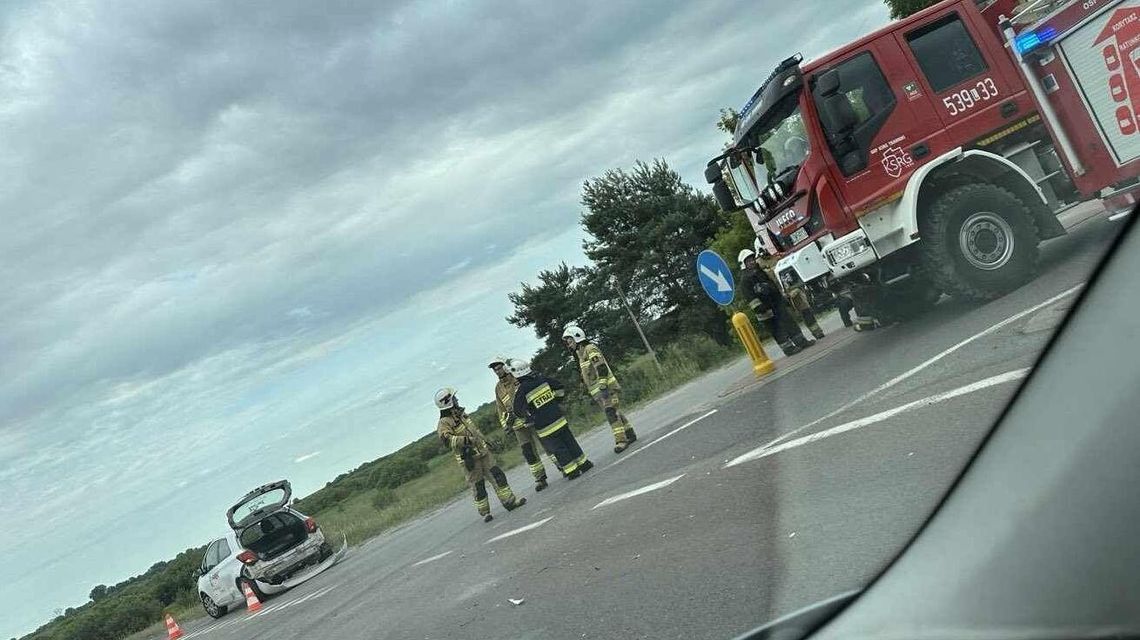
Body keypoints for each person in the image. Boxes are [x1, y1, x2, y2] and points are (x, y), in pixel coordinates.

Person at [434, 387, 526, 522]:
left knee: (497, 476)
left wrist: (486, 441)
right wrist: (465, 441)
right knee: (478, 486)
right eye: (454, 398)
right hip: (469, 459)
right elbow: (447, 440)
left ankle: (510, 502)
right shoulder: (444, 423)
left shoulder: (461, 414)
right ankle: (485, 512)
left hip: (483, 453)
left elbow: (474, 431)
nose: (457, 399)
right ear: (447, 402)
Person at [508, 358, 593, 479]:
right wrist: (555, 401)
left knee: (558, 449)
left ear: (517, 374)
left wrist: (529, 417)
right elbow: (559, 387)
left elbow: (517, 410)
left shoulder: (522, 389)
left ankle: (572, 471)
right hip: (559, 419)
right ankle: (584, 464)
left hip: (545, 427)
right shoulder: (542, 379)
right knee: (570, 442)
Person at [562, 324, 637, 453]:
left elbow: (601, 367)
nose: (569, 345)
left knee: (611, 413)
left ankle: (621, 441)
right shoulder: (580, 354)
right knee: (615, 411)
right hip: (598, 392)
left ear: (577, 338)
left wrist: (603, 385)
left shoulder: (590, 348)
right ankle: (630, 434)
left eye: (570, 341)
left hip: (606, 388)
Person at [737, 248, 815, 356]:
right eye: (748, 261)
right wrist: (760, 308)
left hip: (776, 304)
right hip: (764, 311)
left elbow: (772, 284)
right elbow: (750, 298)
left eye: (752, 259)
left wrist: (780, 297)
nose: (752, 262)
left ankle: (801, 342)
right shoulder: (744, 280)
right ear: (743, 264)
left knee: (789, 323)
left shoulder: (760, 272)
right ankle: (788, 349)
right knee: (777, 330)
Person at [489, 355, 550, 491]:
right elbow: (500, 409)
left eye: (499, 368)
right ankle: (540, 478)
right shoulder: (498, 388)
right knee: (528, 452)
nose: (497, 372)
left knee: (547, 444)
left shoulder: (517, 377)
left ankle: (561, 465)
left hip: (531, 419)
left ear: (505, 366)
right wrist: (506, 425)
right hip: (517, 427)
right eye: (495, 370)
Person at [753, 238, 825, 341]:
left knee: (805, 310)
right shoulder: (758, 265)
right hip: (778, 295)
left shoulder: (778, 256)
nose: (768, 251)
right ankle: (800, 339)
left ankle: (817, 332)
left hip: (792, 289)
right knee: (789, 319)